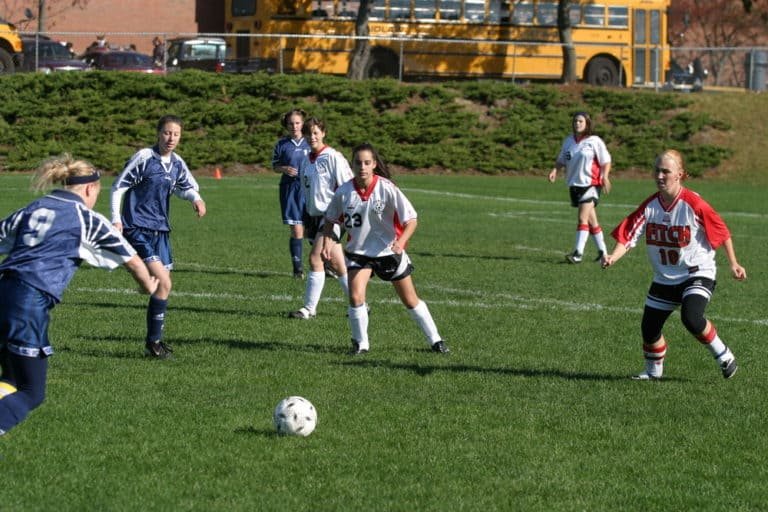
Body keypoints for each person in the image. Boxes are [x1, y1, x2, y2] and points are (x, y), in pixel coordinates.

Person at [0, 155, 158, 436]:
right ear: (90, 189)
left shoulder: (32, 208)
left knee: (11, 379)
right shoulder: (85, 218)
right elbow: (132, 260)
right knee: (31, 392)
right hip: (27, 303)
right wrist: (149, 285)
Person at [601, 149, 747, 380]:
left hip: (697, 272)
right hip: (665, 277)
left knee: (691, 317)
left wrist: (734, 263)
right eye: (656, 170)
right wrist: (613, 256)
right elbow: (629, 235)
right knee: (649, 329)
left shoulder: (694, 204)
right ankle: (653, 373)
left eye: (665, 171)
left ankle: (724, 355)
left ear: (679, 174)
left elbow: (722, 231)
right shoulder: (651, 205)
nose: (659, 176)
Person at [320, 143, 449, 355]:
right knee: (355, 297)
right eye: (358, 162)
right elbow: (330, 219)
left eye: (367, 163)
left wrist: (401, 242)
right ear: (352, 165)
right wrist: (327, 241)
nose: (362, 167)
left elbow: (412, 220)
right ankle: (361, 345)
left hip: (388, 253)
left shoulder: (387, 188)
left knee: (410, 300)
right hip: (359, 253)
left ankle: (436, 340)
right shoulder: (343, 192)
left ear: (374, 165)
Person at [110, 115, 207, 358]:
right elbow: (118, 186)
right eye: (166, 133)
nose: (171, 138)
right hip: (137, 228)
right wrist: (116, 218)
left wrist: (195, 198)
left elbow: (185, 187)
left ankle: (154, 341)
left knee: (162, 287)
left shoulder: (176, 163)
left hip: (160, 230)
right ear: (158, 133)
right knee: (164, 282)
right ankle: (153, 344)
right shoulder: (144, 158)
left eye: (176, 134)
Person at [288, 117, 352, 319]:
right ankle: (360, 304)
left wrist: (340, 215)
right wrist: (307, 217)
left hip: (332, 217)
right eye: (308, 133)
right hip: (314, 217)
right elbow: (308, 191)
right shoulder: (306, 159)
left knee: (316, 258)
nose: (312, 137)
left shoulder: (333, 157)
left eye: (316, 132)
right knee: (338, 264)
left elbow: (347, 187)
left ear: (323, 133)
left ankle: (309, 309)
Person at [548, 111, 612, 264]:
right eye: (576, 121)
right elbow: (562, 159)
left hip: (591, 184)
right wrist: (555, 170)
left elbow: (606, 161)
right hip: (574, 185)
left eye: (581, 121)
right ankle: (603, 253)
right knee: (592, 221)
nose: (577, 123)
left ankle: (578, 254)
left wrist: (605, 176)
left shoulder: (594, 140)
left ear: (587, 124)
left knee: (582, 218)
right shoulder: (568, 141)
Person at [272, 108, 310, 279]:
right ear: (286, 125)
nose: (294, 126)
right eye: (291, 123)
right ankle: (298, 269)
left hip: (310, 189)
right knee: (296, 229)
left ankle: (327, 264)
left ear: (303, 123)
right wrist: (284, 168)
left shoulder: (311, 141)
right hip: (290, 189)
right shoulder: (281, 144)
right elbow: (275, 166)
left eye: (297, 123)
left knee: (313, 229)